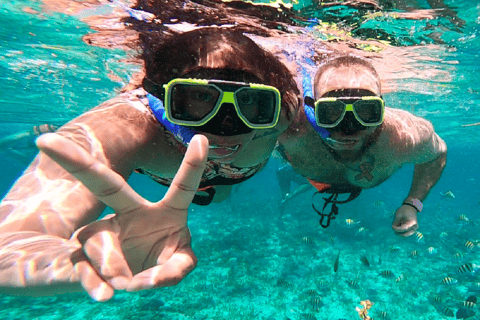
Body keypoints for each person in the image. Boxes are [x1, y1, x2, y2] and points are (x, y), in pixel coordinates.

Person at [0, 27, 300, 301]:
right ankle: (35, 134)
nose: (225, 126)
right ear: (162, 100)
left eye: (249, 102)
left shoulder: (282, 113)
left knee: (219, 195)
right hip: (187, 179)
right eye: (198, 97)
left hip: (209, 187)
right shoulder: (125, 127)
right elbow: (8, 243)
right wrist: (63, 263)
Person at [277, 55, 447, 233]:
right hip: (307, 175)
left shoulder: (402, 136)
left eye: (365, 111)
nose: (349, 128)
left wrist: (412, 203)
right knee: (289, 171)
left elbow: (438, 153)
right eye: (333, 111)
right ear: (313, 107)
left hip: (314, 174)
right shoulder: (291, 126)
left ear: (381, 108)